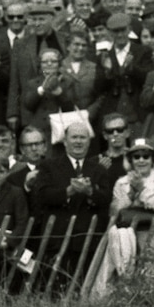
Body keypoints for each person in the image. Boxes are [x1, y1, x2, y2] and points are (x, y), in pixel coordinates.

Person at [32, 122, 112, 293]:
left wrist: (89, 191)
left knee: (85, 289)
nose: (78, 141)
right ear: (65, 141)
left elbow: (106, 199)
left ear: (89, 142)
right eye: (74, 137)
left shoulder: (99, 169)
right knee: (54, 290)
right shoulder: (49, 166)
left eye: (82, 137)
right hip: (57, 238)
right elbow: (41, 195)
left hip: (87, 242)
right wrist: (69, 191)